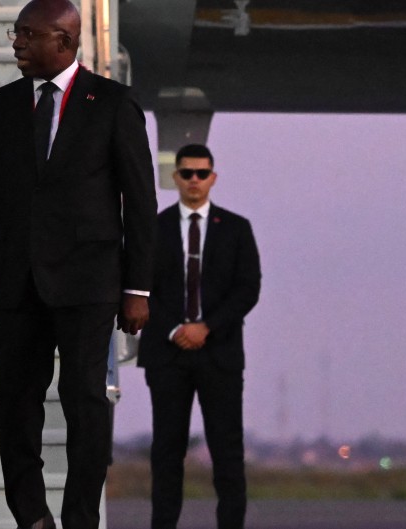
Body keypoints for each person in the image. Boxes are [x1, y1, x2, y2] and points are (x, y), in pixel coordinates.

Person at [0, 0, 157, 527]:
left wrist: (139, 289)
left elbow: (139, 203)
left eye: (27, 34)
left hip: (90, 282)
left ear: (63, 42)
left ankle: (80, 516)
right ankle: (31, 515)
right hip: (20, 282)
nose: (16, 42)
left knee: (85, 401)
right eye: (14, 32)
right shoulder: (2, 105)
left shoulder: (112, 103)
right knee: (13, 402)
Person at [137, 144, 261, 529]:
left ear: (213, 178)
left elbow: (248, 288)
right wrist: (176, 329)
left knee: (227, 454)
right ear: (175, 177)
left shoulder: (237, 228)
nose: (194, 180)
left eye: (201, 173)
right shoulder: (152, 228)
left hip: (219, 354)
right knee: (166, 453)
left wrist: (206, 327)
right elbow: (139, 288)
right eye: (187, 173)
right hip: (167, 354)